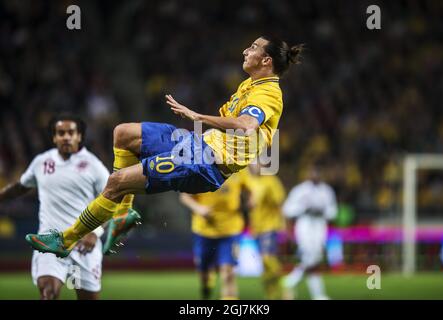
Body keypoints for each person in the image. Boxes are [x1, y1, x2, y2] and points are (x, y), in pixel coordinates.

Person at [25, 35, 303, 258]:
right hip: (196, 145)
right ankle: (123, 215)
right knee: (123, 133)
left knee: (116, 182)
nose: (245, 50)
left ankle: (66, 240)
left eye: (252, 47)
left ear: (266, 60)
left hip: (205, 166)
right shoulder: (250, 85)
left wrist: (197, 116)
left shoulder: (269, 93)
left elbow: (246, 125)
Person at [0, 115, 109, 300]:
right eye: (61, 133)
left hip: (82, 246)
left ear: (79, 136)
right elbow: (20, 187)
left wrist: (95, 233)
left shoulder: (93, 166)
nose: (66, 137)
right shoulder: (41, 162)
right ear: (54, 137)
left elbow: (112, 203)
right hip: (50, 243)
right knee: (48, 293)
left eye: (71, 133)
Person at [179, 173, 245, 300]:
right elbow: (184, 196)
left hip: (230, 230)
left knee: (228, 272)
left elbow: (250, 188)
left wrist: (250, 200)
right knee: (204, 271)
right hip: (204, 230)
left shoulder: (239, 170)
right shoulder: (200, 170)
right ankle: (206, 286)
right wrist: (199, 208)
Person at [281, 163, 337, 300]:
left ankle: (293, 278)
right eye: (312, 172)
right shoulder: (300, 190)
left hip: (319, 224)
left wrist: (323, 211)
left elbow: (333, 211)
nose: (315, 176)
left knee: (315, 256)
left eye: (317, 173)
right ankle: (318, 295)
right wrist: (303, 209)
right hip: (304, 223)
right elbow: (287, 209)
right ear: (308, 174)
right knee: (309, 253)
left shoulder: (327, 190)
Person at [243, 162, 286, 299]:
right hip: (257, 227)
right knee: (263, 262)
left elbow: (279, 203)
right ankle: (271, 294)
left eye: (256, 164)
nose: (254, 167)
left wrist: (283, 223)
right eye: (251, 164)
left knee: (268, 258)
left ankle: (284, 287)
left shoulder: (271, 181)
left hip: (270, 225)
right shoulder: (249, 180)